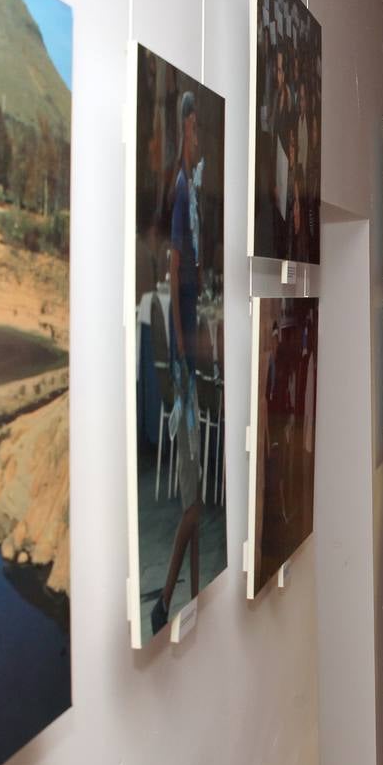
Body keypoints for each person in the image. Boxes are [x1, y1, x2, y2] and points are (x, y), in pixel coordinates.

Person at [152, 90, 205, 632]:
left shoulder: (190, 190)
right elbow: (173, 270)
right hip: (186, 364)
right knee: (193, 505)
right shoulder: (182, 189)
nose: (201, 136)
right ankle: (166, 600)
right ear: (186, 124)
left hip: (187, 356)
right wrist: (186, 352)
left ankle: (191, 593)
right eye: (197, 127)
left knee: (197, 500)